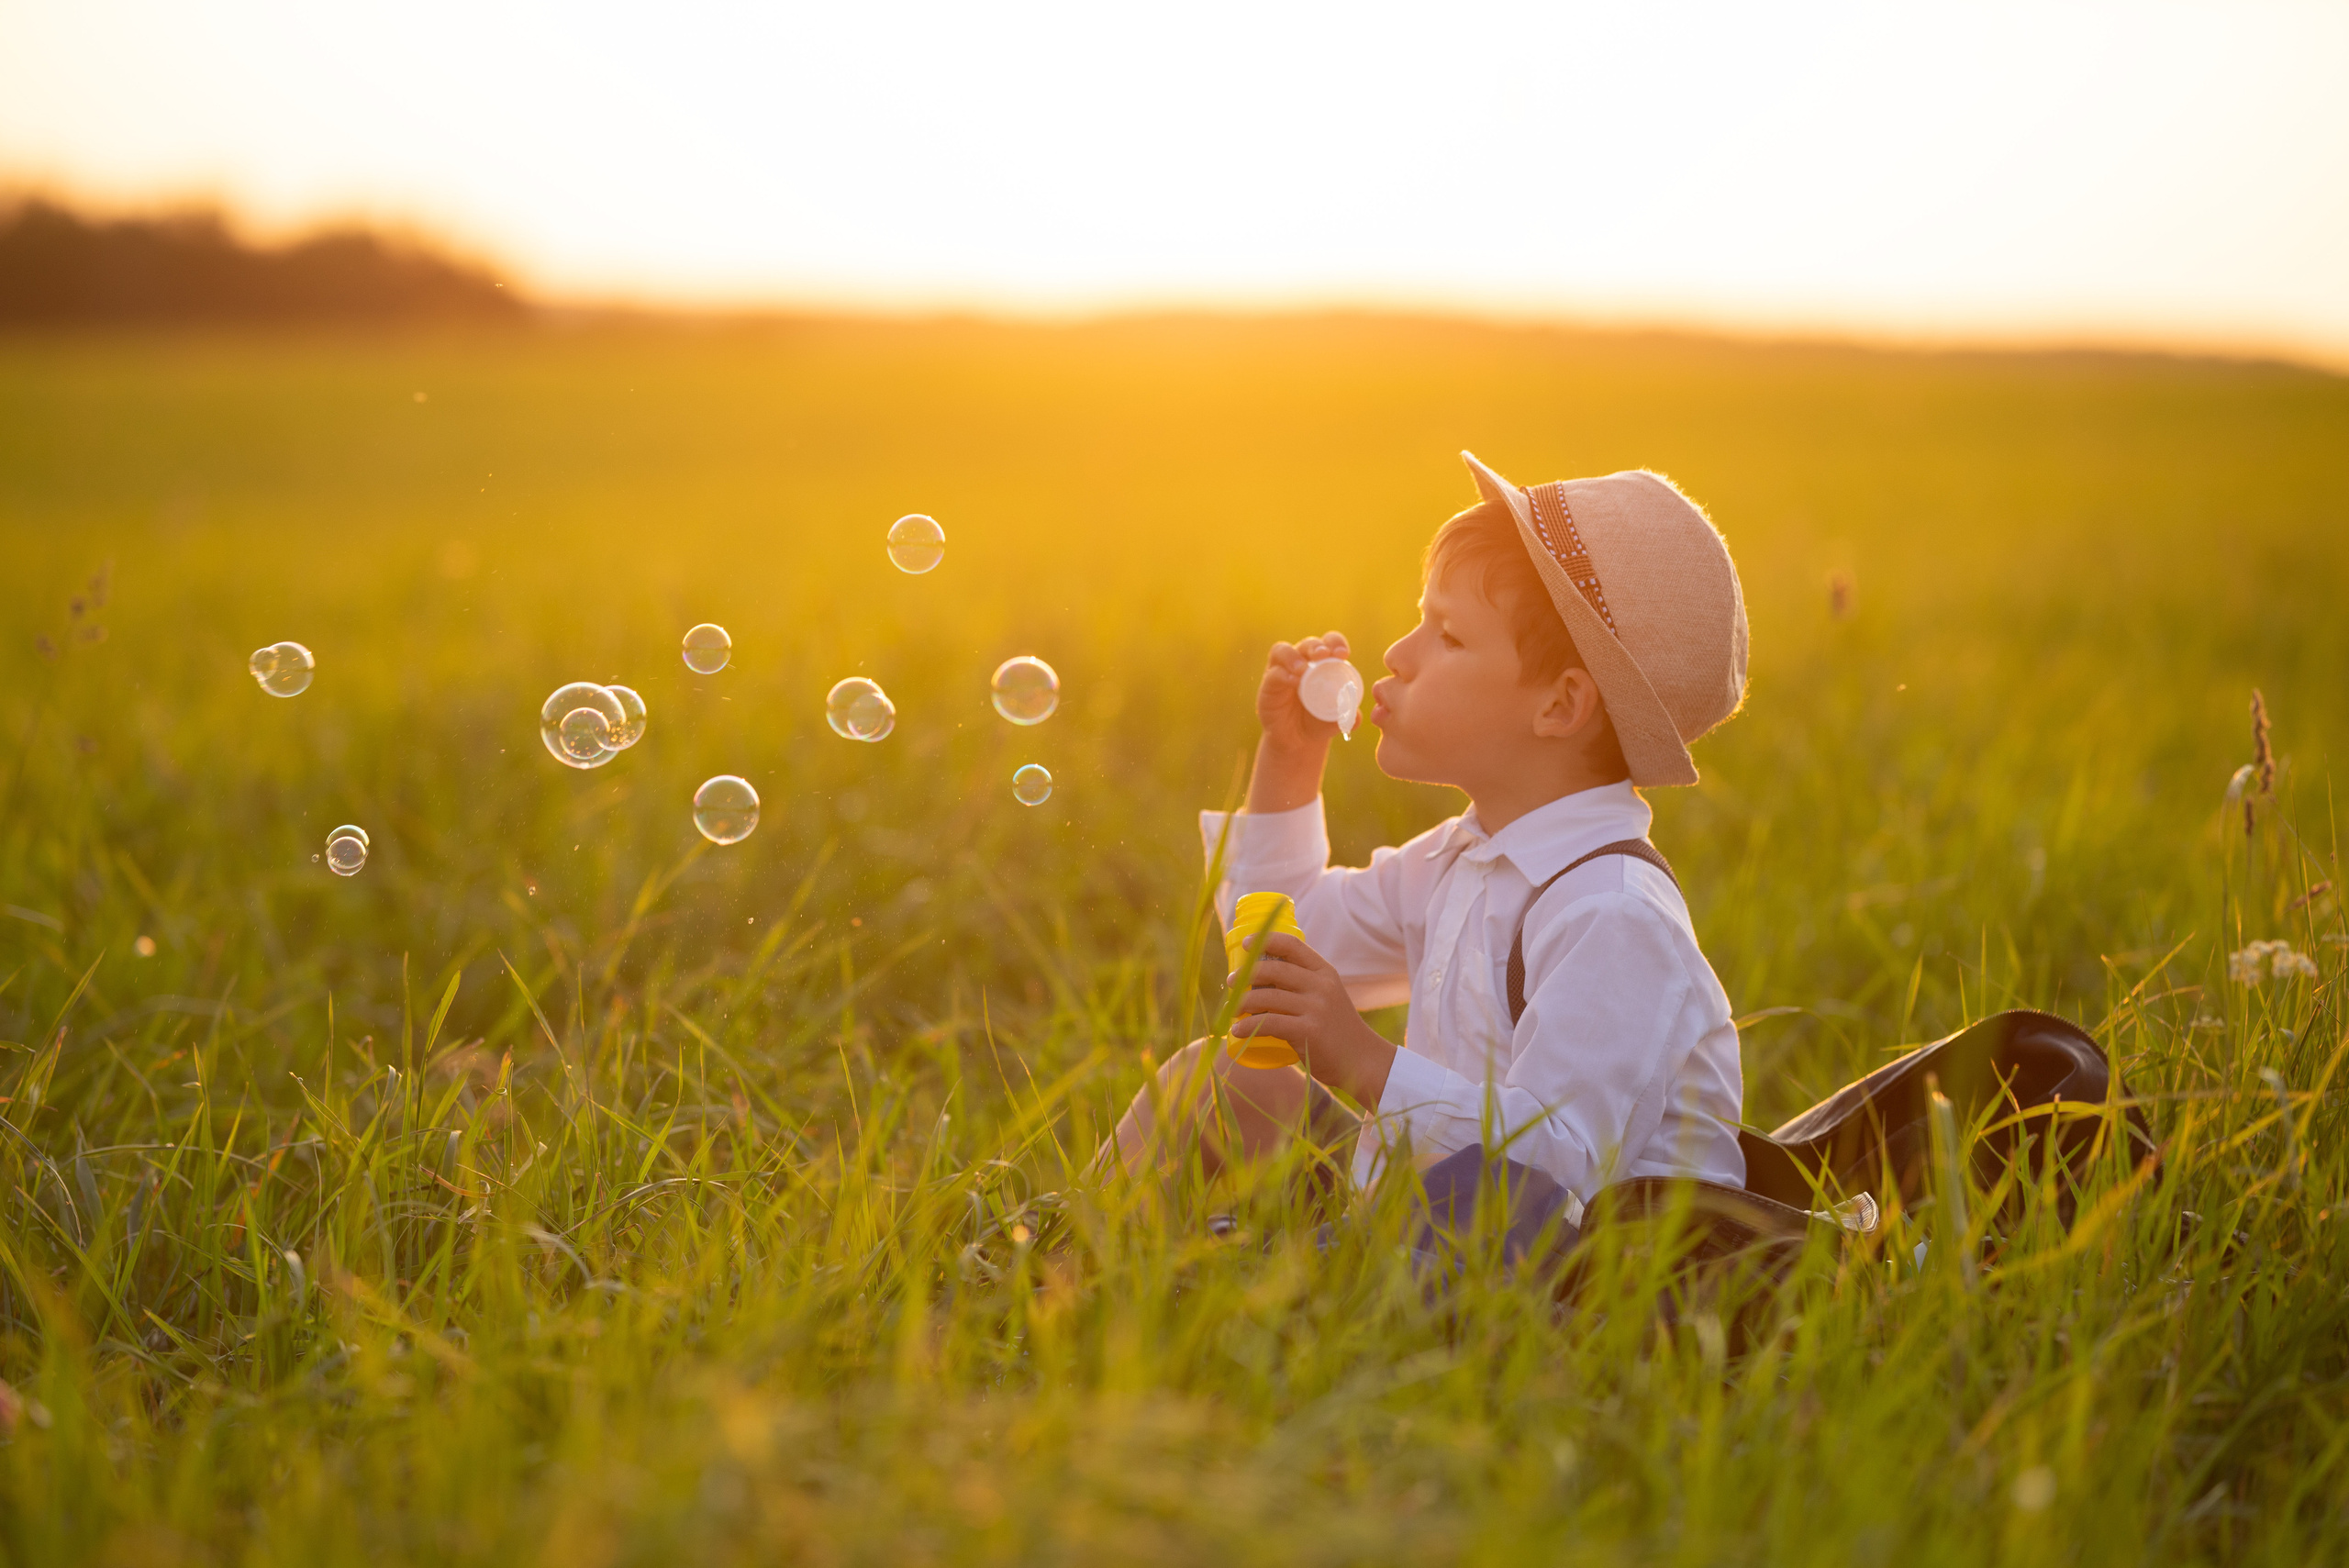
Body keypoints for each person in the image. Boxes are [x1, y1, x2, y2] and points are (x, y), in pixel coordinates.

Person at [1101, 452, 1751, 1209]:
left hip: (1573, 1286)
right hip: (1432, 1228)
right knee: (1209, 1080)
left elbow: (1569, 1164)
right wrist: (1291, 758)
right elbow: (1278, 947)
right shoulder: (1466, 858)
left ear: (1560, 707)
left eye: (1446, 635)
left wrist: (1366, 1061)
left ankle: (1266, 1269)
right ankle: (1049, 1268)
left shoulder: (1612, 912)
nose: (1398, 656)